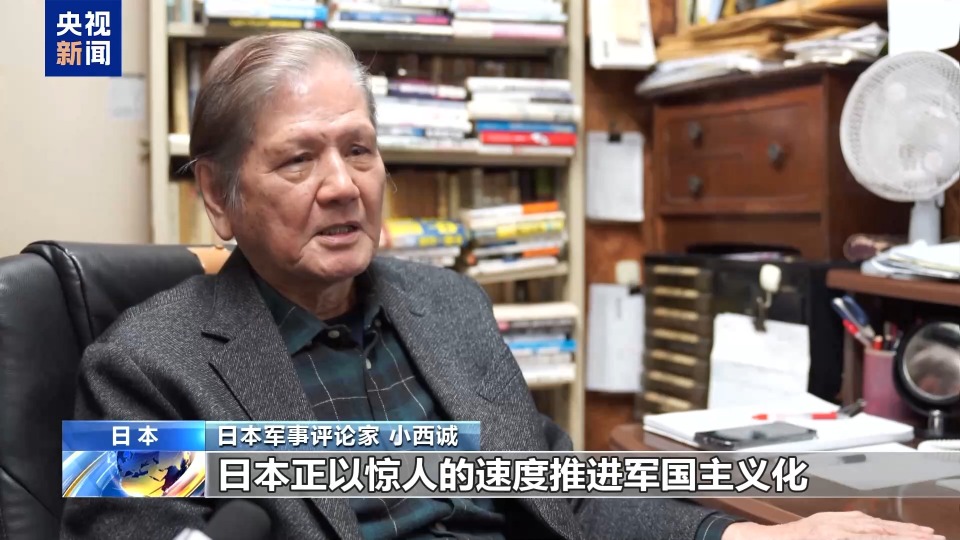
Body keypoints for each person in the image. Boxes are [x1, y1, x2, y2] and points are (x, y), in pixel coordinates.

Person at [60, 31, 944, 540]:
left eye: (359, 149)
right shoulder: (142, 369)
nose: (343, 186)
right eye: (298, 159)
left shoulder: (448, 306)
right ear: (218, 196)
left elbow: (562, 489)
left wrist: (740, 536)